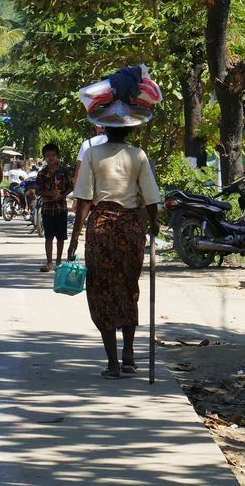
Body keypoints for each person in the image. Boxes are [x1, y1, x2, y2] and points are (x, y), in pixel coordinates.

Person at [68, 125, 161, 379]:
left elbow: (85, 199)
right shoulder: (138, 154)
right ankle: (128, 354)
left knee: (101, 291)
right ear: (129, 130)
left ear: (105, 128)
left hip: (101, 229)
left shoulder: (92, 153)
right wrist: (154, 222)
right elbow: (151, 197)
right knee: (128, 288)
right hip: (131, 228)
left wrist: (75, 237)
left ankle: (113, 364)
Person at [36, 142, 73, 272]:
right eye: (48, 155)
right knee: (48, 237)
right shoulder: (41, 173)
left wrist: (63, 195)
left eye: (53, 155)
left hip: (61, 208)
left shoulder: (64, 171)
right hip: (47, 209)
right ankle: (49, 263)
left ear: (57, 157)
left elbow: (71, 186)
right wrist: (49, 193)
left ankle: (58, 262)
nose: (50, 158)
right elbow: (38, 191)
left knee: (61, 237)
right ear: (44, 157)